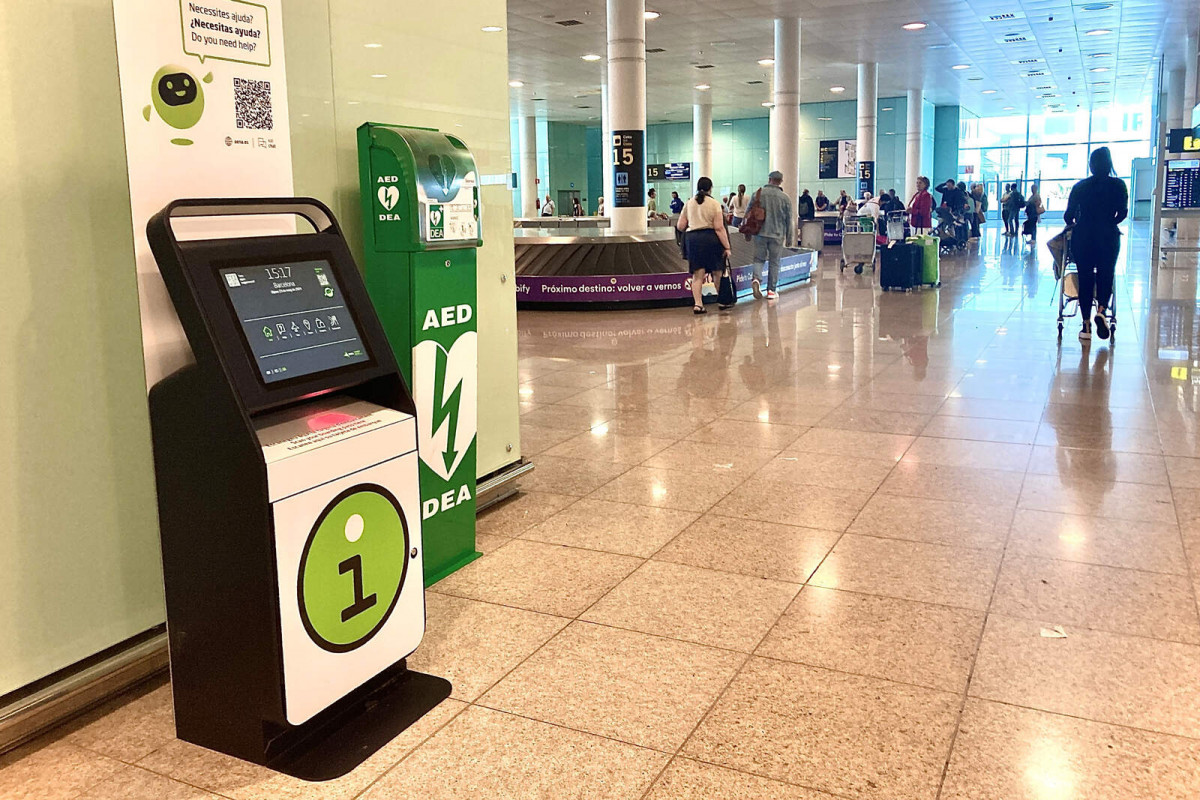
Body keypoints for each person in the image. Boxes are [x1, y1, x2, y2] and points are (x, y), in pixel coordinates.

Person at [1064, 147, 1127, 342]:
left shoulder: (1080, 187)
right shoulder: (1118, 185)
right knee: (1106, 274)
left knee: (1085, 278)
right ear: (1109, 164)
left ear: (1091, 165)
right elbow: (1122, 213)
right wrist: (1109, 222)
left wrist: (1077, 222)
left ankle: (1085, 325)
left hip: (1083, 237)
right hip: (1108, 236)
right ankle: (1101, 310)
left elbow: (1068, 215)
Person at [677, 176, 732, 314]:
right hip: (711, 239)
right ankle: (722, 301)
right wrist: (727, 247)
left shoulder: (689, 203)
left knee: (698, 275)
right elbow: (719, 228)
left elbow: (680, 226)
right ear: (710, 188)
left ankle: (698, 304)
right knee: (717, 272)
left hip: (693, 240)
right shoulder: (714, 204)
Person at [745, 170, 794, 301]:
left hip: (760, 233)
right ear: (780, 182)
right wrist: (789, 238)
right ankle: (771, 291)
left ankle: (756, 279)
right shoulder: (785, 198)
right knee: (774, 262)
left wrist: (747, 231)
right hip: (777, 235)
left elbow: (748, 213)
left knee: (758, 259)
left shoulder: (757, 194)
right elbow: (789, 220)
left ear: (769, 179)